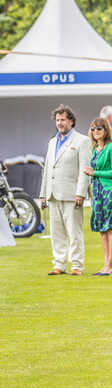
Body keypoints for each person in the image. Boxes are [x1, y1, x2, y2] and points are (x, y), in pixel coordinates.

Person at [39, 105, 90, 276]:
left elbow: (85, 168)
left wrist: (80, 193)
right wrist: (43, 194)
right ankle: (59, 264)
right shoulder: (52, 142)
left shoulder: (82, 141)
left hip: (71, 194)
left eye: (63, 120)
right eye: (58, 120)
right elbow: (47, 169)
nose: (60, 123)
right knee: (56, 233)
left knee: (74, 233)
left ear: (71, 121)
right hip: (53, 194)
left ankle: (77, 265)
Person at [83, 118, 112, 275]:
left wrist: (95, 172)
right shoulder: (95, 150)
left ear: (106, 130)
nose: (95, 132)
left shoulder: (110, 148)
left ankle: (110, 265)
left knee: (109, 229)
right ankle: (106, 264)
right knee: (102, 230)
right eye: (93, 129)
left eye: (99, 129)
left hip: (109, 191)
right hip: (97, 193)